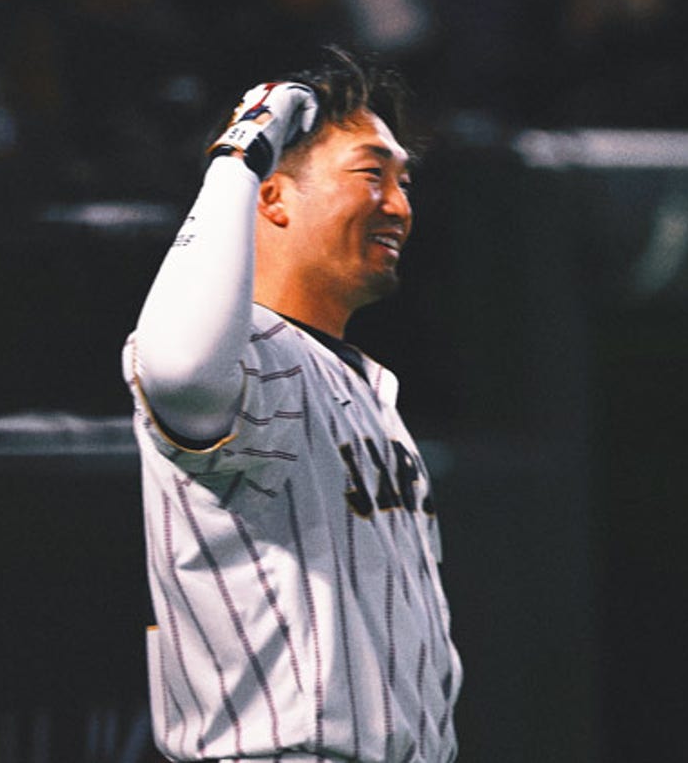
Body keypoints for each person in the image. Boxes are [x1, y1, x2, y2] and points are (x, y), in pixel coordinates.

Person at [122, 48, 460, 762]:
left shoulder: (373, 389)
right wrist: (244, 149)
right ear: (272, 197)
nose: (398, 205)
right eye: (372, 174)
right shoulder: (246, 352)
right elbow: (179, 366)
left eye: (404, 181)